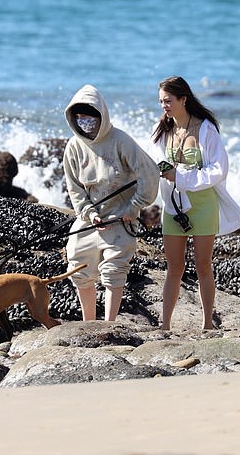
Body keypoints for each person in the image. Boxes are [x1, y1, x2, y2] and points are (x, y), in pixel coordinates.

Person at [151, 76, 240, 330]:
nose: (164, 106)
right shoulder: (162, 129)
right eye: (161, 101)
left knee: (203, 265)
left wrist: (179, 175)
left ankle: (207, 324)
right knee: (174, 267)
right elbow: (154, 161)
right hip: (173, 206)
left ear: (184, 99)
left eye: (168, 101)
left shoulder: (206, 129)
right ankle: (165, 325)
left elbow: (219, 169)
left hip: (203, 204)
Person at [63, 84, 159, 321]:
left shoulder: (120, 141)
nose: (85, 122)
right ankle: (88, 323)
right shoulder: (74, 146)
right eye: (80, 118)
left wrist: (133, 207)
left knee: (114, 271)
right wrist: (88, 213)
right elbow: (74, 187)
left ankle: (109, 325)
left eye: (90, 118)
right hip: (91, 219)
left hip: (120, 218)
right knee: (77, 263)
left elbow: (150, 173)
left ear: (101, 116)